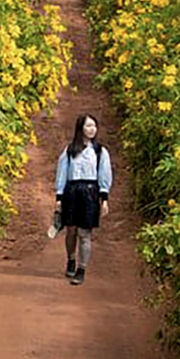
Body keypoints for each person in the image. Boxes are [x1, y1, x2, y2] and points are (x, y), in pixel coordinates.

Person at [53, 113, 114, 285]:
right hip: (72, 191)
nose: (91, 129)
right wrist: (59, 197)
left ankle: (82, 268)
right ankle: (71, 259)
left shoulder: (100, 152)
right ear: (80, 129)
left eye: (94, 126)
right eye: (88, 126)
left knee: (85, 233)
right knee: (71, 229)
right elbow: (62, 174)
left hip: (90, 192)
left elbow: (104, 174)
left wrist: (104, 199)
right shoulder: (70, 150)